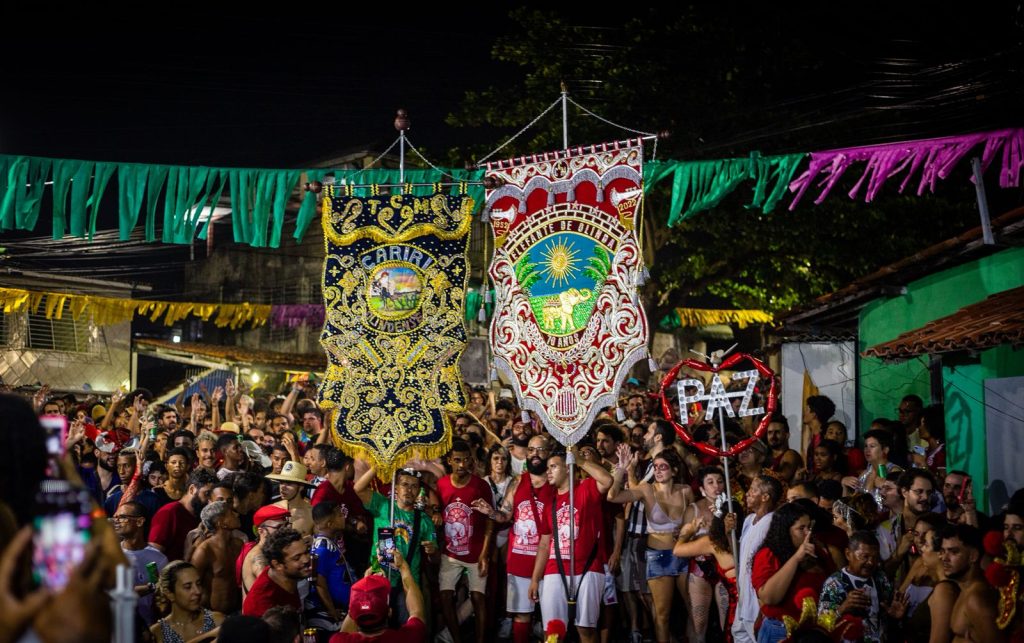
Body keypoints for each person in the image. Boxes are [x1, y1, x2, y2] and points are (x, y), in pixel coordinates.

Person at [609, 444, 693, 643]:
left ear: (674, 470)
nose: (657, 470)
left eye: (663, 467)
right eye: (655, 467)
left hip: (683, 554)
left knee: (693, 608)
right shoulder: (646, 490)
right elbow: (613, 497)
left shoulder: (686, 491)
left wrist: (686, 531)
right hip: (659, 557)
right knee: (662, 613)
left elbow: (695, 522)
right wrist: (621, 470)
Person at [529, 446, 613, 643]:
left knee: (586, 629)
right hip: (554, 569)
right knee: (553, 630)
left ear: (568, 468)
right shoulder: (550, 502)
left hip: (588, 567)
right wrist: (535, 578)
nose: (548, 471)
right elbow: (544, 543)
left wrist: (580, 461)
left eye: (553, 467)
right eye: (547, 467)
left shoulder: (586, 488)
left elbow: (607, 480)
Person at [480, 433, 555, 643]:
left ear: (549, 453)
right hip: (520, 559)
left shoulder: (556, 483)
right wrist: (491, 513)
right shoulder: (518, 481)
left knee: (552, 619)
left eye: (540, 450)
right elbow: (505, 515)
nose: (535, 454)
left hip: (549, 562)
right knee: (522, 615)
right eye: (531, 450)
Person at [353, 465, 438, 625]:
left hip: (408, 584)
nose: (409, 490)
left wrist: (432, 552)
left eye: (414, 486)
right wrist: (377, 466)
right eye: (405, 484)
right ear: (396, 488)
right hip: (379, 578)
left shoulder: (425, 521)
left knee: (406, 628)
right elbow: (358, 488)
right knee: (377, 628)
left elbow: (435, 560)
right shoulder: (382, 505)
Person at [437, 439, 494, 643]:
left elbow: (490, 521)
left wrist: (484, 554)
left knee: (478, 597)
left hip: (476, 552)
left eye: (466, 460)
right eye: (457, 460)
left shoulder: (480, 486)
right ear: (450, 460)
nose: (462, 465)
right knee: (445, 596)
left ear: (471, 461)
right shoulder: (441, 484)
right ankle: (456, 638)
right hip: (450, 554)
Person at [750, 502, 831, 643]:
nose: (808, 533)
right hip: (781, 631)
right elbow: (769, 598)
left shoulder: (815, 551)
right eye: (801, 528)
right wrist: (796, 558)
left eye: (809, 527)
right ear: (785, 530)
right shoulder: (768, 554)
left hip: (813, 633)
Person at [674, 498, 742, 643]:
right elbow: (678, 551)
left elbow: (678, 549)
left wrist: (687, 533)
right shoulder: (714, 542)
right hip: (733, 599)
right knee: (716, 629)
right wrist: (689, 533)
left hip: (745, 602)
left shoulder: (748, 535)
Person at [331, 548, 427, 642]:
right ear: (389, 612)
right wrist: (403, 567)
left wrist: (364, 587)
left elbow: (345, 630)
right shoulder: (409, 637)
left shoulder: (338, 640)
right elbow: (416, 612)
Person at [731, 473, 783, 643]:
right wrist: (728, 532)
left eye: (753, 490)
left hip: (757, 603)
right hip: (743, 600)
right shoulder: (749, 520)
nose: (747, 494)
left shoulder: (772, 523)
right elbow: (740, 555)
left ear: (765, 497)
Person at [817, 530, 894, 643]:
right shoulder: (834, 583)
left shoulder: (880, 577)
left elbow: (887, 612)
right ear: (848, 554)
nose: (871, 562)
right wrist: (843, 607)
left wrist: (895, 614)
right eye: (865, 557)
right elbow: (821, 624)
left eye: (875, 557)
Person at [678, 466, 727, 643]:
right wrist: (693, 531)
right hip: (700, 569)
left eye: (720, 481)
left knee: (727, 620)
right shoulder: (694, 509)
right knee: (698, 622)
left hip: (725, 569)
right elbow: (681, 541)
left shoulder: (732, 508)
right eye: (711, 482)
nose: (716, 486)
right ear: (702, 488)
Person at [890, 519, 957, 643]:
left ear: (940, 553)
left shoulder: (944, 590)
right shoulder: (942, 587)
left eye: (926, 544)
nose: (922, 550)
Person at [942, 524, 1005, 642]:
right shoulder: (966, 589)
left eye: (953, 552)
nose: (944, 558)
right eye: (943, 551)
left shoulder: (976, 598)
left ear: (973, 556)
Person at [113, 500, 169, 627]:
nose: (116, 521)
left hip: (150, 627)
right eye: (115, 517)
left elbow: (160, 595)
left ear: (139, 521)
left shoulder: (157, 558)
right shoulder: (112, 556)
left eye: (122, 517)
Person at [149, 468, 218, 561]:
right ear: (192, 489)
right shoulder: (169, 513)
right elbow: (152, 557)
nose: (210, 501)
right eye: (207, 494)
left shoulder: (202, 515)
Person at [242, 526, 310, 617]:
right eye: (297, 558)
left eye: (306, 552)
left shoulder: (288, 576)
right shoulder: (263, 605)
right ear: (277, 565)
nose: (306, 560)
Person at [150, 561, 225, 643]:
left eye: (198, 584)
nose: (197, 591)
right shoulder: (157, 633)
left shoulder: (217, 621)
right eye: (188, 587)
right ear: (169, 594)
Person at [191, 500, 244, 613]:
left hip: (237, 612)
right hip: (212, 616)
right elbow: (191, 585)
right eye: (231, 513)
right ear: (221, 523)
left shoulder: (239, 544)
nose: (237, 514)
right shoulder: (205, 551)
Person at [309, 501, 354, 629]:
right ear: (330, 524)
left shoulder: (330, 543)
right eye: (340, 515)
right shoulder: (322, 549)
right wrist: (331, 610)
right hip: (329, 615)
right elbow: (319, 582)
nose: (343, 517)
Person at [239, 504, 291, 599]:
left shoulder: (272, 550)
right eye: (279, 527)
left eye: (286, 526)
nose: (284, 531)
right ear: (261, 531)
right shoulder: (258, 558)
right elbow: (274, 590)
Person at [843, 429, 901, 509]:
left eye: (872, 446)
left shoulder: (894, 471)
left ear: (885, 450)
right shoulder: (864, 473)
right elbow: (852, 505)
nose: (867, 450)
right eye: (866, 446)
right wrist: (844, 485)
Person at [267, 460, 315, 536]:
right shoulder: (272, 509)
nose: (283, 487)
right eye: (281, 482)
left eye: (289, 483)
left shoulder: (311, 514)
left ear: (301, 487)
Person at [765, 415, 803, 485]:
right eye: (770, 432)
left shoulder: (791, 455)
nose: (773, 436)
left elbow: (782, 477)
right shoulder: (765, 455)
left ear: (787, 435)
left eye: (777, 432)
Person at [803, 395, 835, 475]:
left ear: (814, 414)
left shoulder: (825, 438)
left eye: (807, 410)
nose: (804, 412)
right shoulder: (814, 436)